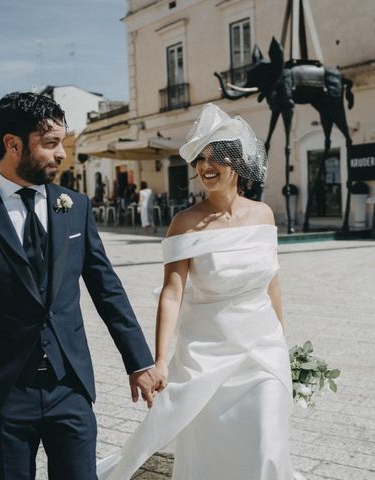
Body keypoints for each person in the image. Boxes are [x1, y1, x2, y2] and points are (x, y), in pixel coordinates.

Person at [0, 92, 161, 480]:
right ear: (12, 143)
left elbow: (108, 289)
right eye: (50, 144)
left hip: (69, 386)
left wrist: (139, 361)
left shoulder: (76, 207)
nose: (61, 155)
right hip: (3, 394)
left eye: (61, 143)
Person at [97, 103, 297, 479]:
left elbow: (272, 281)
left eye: (216, 158)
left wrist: (282, 342)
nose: (206, 167)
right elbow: (171, 294)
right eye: (201, 159)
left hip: (264, 351)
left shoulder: (264, 215)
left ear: (237, 164)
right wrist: (160, 360)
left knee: (268, 444)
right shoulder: (185, 223)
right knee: (216, 446)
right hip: (208, 353)